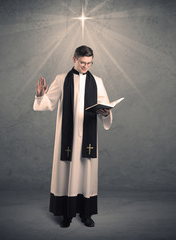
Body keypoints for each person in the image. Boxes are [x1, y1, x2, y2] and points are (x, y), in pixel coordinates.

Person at [33, 45, 112, 228]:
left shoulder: (97, 81)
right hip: (67, 138)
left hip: (87, 138)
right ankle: (66, 215)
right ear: (74, 59)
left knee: (86, 175)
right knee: (66, 173)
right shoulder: (62, 79)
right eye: (83, 63)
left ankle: (86, 214)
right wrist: (39, 97)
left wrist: (106, 113)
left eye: (89, 63)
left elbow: (105, 106)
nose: (86, 67)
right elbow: (48, 103)